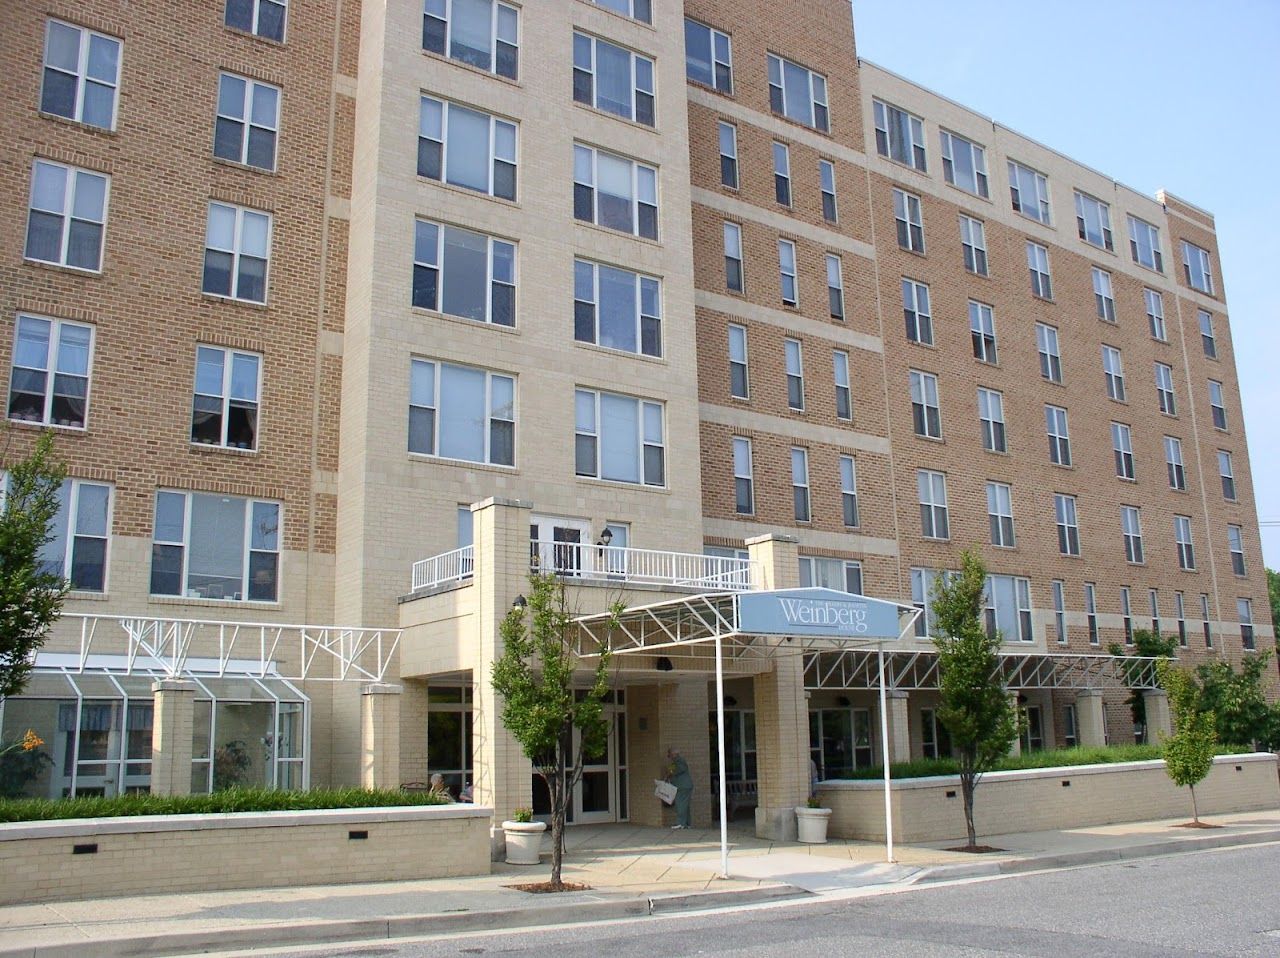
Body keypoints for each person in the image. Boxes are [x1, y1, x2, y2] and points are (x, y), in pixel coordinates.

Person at [666, 746, 694, 829]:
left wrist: (671, 773)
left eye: (669, 755)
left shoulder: (679, 761)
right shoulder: (677, 762)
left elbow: (679, 770)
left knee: (680, 804)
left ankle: (680, 823)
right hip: (684, 786)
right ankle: (687, 823)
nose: (669, 757)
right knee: (685, 805)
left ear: (674, 754)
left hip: (682, 786)